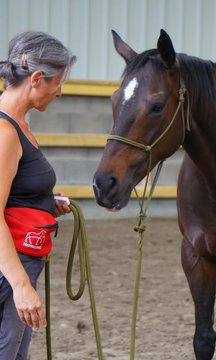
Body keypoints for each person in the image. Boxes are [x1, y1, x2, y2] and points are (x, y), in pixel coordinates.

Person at [0, 30, 76, 359]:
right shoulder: (5, 133)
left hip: (24, 258)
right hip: (10, 268)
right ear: (36, 79)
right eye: (57, 83)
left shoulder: (21, 126)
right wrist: (20, 286)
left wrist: (46, 203)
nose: (59, 93)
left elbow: (15, 194)